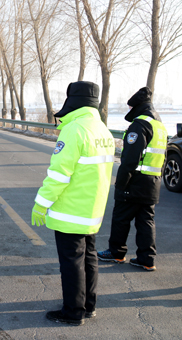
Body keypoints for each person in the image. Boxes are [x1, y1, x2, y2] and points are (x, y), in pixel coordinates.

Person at [31, 81, 115, 325]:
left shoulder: (75, 130)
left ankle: (73, 312)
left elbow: (59, 174)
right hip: (93, 210)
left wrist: (41, 203)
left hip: (71, 212)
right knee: (89, 258)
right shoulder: (103, 131)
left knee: (71, 264)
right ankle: (89, 306)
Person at [97, 87, 167, 271]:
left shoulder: (139, 125)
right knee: (146, 220)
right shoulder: (159, 125)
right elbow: (163, 157)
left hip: (135, 181)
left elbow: (129, 159)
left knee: (121, 217)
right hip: (152, 181)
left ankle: (116, 253)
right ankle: (146, 258)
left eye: (130, 107)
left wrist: (120, 184)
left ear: (136, 107)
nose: (129, 111)